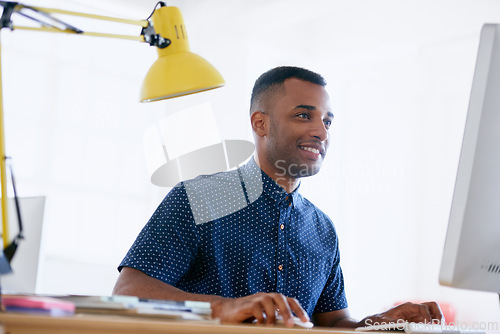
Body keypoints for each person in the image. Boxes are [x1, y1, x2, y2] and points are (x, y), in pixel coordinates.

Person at [113, 66, 443, 328]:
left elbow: (333, 323)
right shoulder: (199, 197)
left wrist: (378, 325)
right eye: (304, 115)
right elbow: (129, 293)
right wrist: (225, 307)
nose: (322, 132)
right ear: (260, 123)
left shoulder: (323, 230)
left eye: (328, 121)